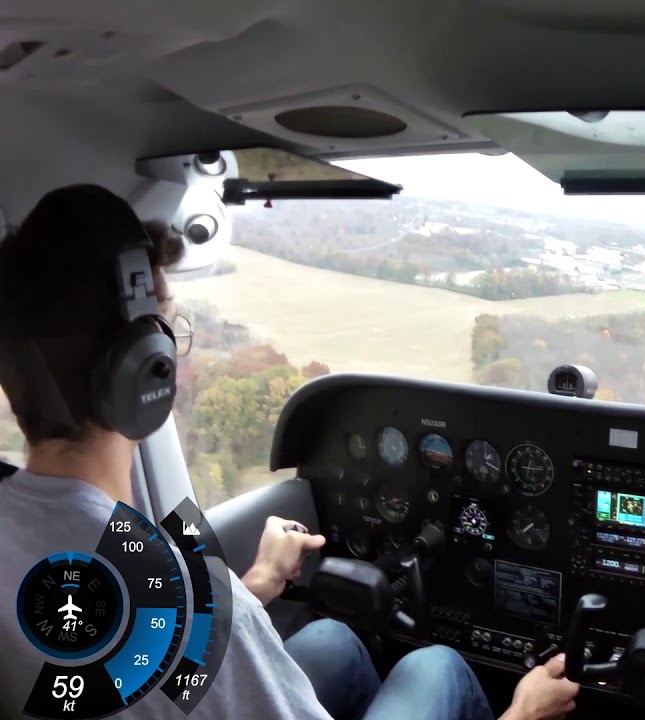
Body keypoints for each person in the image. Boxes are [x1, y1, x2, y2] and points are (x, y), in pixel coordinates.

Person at [0, 185, 580, 720]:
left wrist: (253, 585)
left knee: (334, 641)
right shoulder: (188, 603)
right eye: (168, 328)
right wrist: (522, 713)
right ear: (143, 370)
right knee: (436, 666)